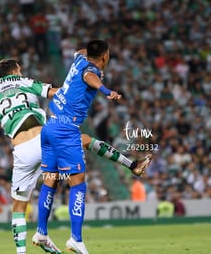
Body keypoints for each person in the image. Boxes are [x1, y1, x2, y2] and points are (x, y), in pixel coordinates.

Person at [0, 59, 151, 254]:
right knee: (84, 141)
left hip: (21, 151)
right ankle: (132, 165)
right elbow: (56, 92)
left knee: (18, 206)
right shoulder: (25, 81)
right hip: (43, 139)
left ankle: (25, 249)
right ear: (15, 70)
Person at [34, 40, 152, 254]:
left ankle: (42, 232)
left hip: (50, 126)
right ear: (105, 56)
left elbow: (81, 54)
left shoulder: (80, 58)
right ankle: (76, 239)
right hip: (65, 129)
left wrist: (88, 53)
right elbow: (89, 77)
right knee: (78, 184)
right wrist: (105, 90)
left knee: (52, 179)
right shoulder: (90, 70)